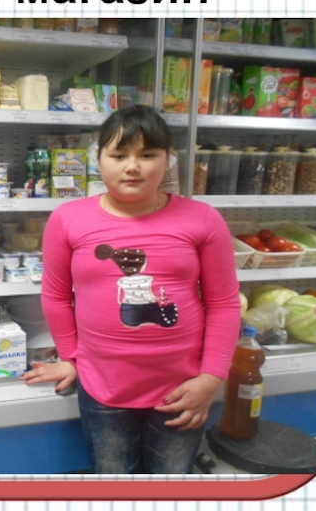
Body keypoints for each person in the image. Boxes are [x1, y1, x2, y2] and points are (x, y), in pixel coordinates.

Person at [21, 105, 241, 474]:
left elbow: (224, 304)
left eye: (148, 155)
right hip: (102, 388)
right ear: (99, 159)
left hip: (183, 387)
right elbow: (56, 296)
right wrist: (72, 357)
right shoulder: (67, 219)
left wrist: (211, 378)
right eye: (119, 155)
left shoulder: (203, 219)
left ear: (168, 160)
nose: (132, 166)